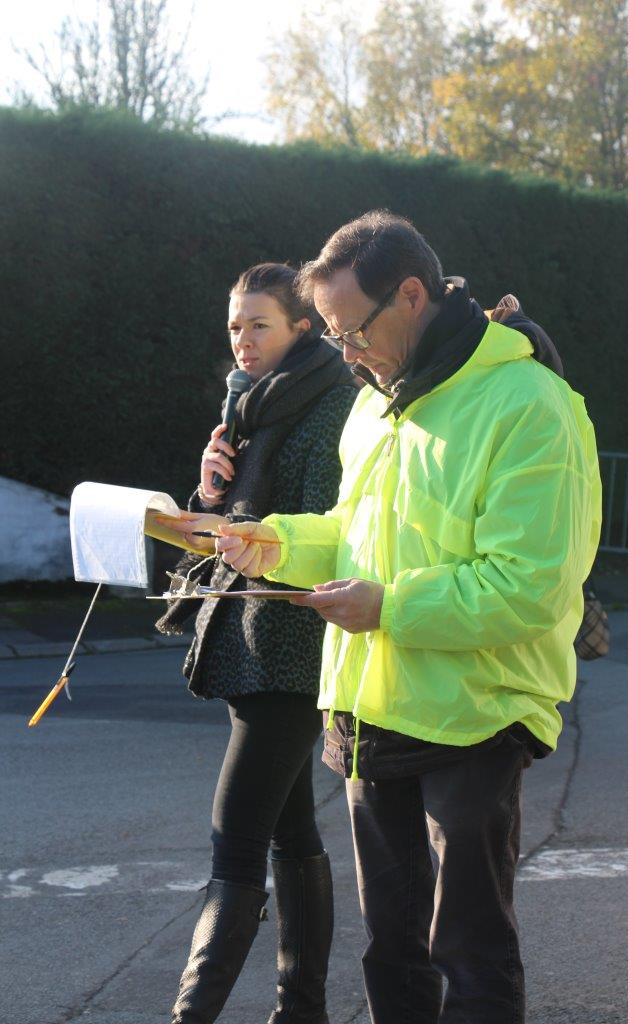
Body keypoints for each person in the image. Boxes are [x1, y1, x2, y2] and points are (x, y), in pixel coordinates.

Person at [168, 212, 602, 1024]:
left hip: (478, 713)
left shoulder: (530, 404)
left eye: (350, 330)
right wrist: (270, 542)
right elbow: (353, 536)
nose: (344, 353)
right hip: (369, 710)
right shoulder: (372, 405)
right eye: (330, 337)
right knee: (391, 952)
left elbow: (530, 586)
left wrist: (390, 608)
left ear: (412, 295)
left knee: (468, 953)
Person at [156, 262, 357, 1024]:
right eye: (235, 325)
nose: (242, 340)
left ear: (302, 327)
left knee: (232, 845)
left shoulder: (330, 406)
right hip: (247, 643)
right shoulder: (249, 408)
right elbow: (232, 534)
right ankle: (301, 1011)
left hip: (290, 652)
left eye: (259, 325)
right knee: (291, 831)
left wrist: (235, 528)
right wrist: (209, 497)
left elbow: (318, 533)